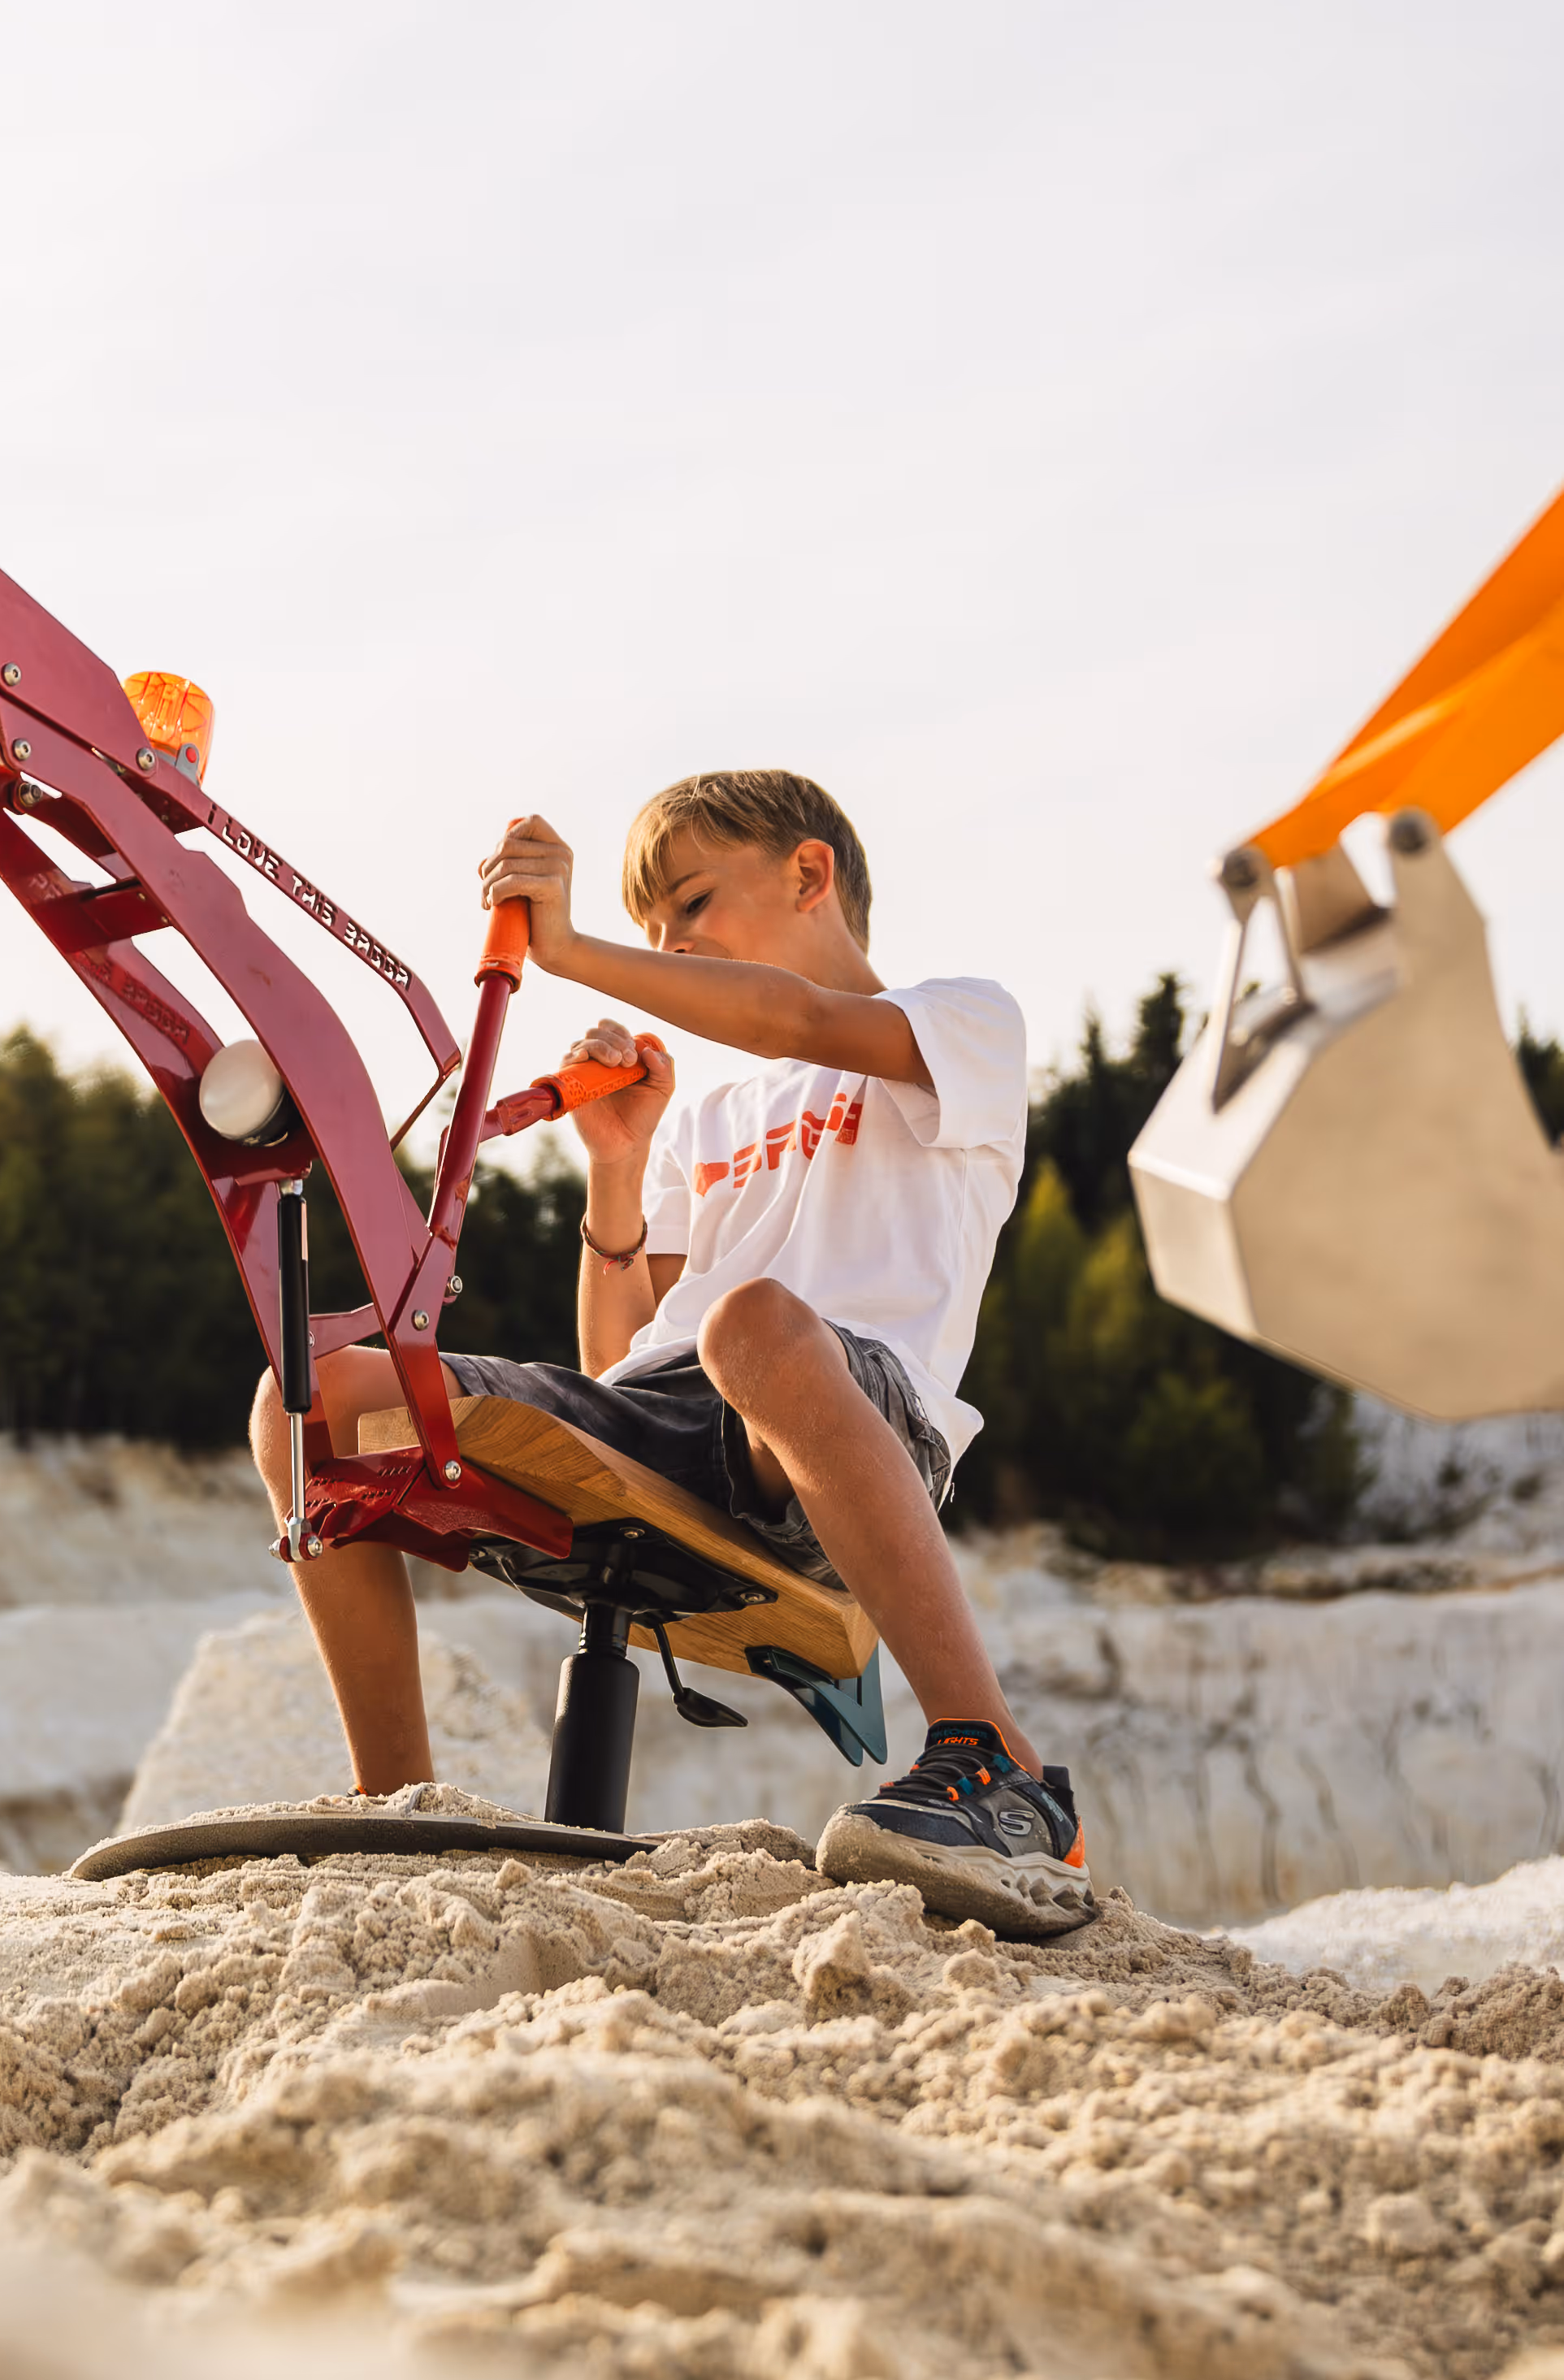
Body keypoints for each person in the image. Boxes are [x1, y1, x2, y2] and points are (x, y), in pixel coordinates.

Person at [249, 767, 1092, 1941]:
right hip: (683, 1422)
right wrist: (616, 1164)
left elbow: (793, 1020)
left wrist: (576, 949)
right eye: (654, 932)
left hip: (843, 1427)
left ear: (811, 873)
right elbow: (615, 1374)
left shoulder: (961, 1024)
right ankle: (399, 1803)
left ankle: (995, 1758)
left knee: (750, 1321)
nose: (672, 950)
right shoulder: (705, 1122)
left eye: (692, 906)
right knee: (312, 1390)